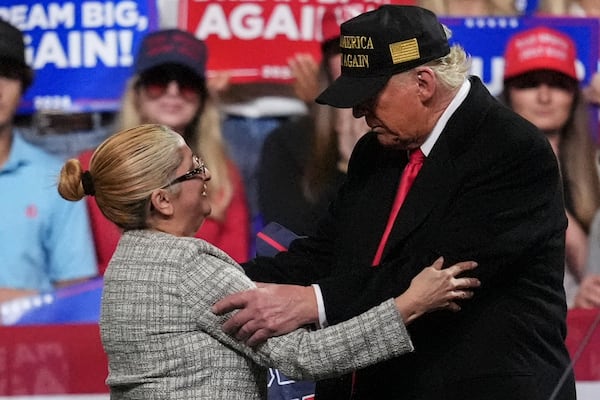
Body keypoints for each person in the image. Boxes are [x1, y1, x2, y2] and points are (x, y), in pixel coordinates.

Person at [212, 5, 576, 399]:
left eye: (369, 95)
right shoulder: (377, 150)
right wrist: (213, 282)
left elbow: (438, 273)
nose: (358, 111)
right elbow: (326, 252)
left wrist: (311, 301)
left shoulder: (511, 150)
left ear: (423, 83)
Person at [57, 123, 479, 399]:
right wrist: (410, 305)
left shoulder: (125, 264)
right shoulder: (189, 265)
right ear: (163, 200)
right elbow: (305, 356)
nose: (206, 176)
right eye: (193, 169)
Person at [78, 29, 250, 274]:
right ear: (136, 94)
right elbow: (80, 272)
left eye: (187, 83)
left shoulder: (223, 173)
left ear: (202, 98)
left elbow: (234, 266)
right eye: (158, 81)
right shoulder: (92, 167)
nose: (173, 92)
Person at [500, 26, 600, 309]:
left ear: (574, 94)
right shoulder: (483, 171)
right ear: (508, 93)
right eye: (530, 83)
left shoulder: (596, 169)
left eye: (557, 84)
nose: (544, 97)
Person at [0, 19, 97, 302]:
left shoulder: (54, 178)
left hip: (33, 343)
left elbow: (75, 295)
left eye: (7, 74)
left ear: (23, 84)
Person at [258, 4, 369, 236]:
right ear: (327, 62)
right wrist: (349, 170)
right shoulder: (287, 142)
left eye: (369, 44)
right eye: (343, 47)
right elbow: (288, 239)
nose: (356, 57)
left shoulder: (410, 134)